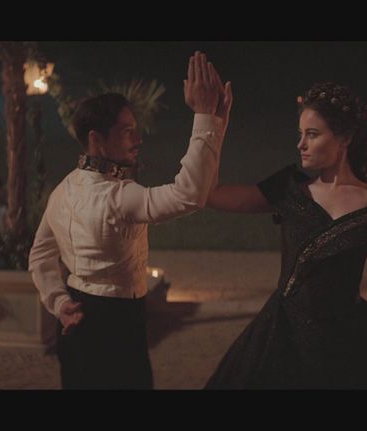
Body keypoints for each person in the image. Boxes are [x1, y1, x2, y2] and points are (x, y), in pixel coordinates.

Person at [28, 51, 232, 389]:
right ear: (96, 140)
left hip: (76, 321)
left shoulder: (62, 191)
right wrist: (205, 117)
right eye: (127, 132)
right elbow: (189, 195)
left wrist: (59, 302)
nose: (138, 140)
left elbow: (39, 256)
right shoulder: (118, 197)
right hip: (117, 325)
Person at [204, 82, 367, 389]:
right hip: (283, 336)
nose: (301, 144)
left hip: (349, 342)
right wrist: (214, 125)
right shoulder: (289, 190)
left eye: (312, 135)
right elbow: (211, 195)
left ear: (345, 138)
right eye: (300, 134)